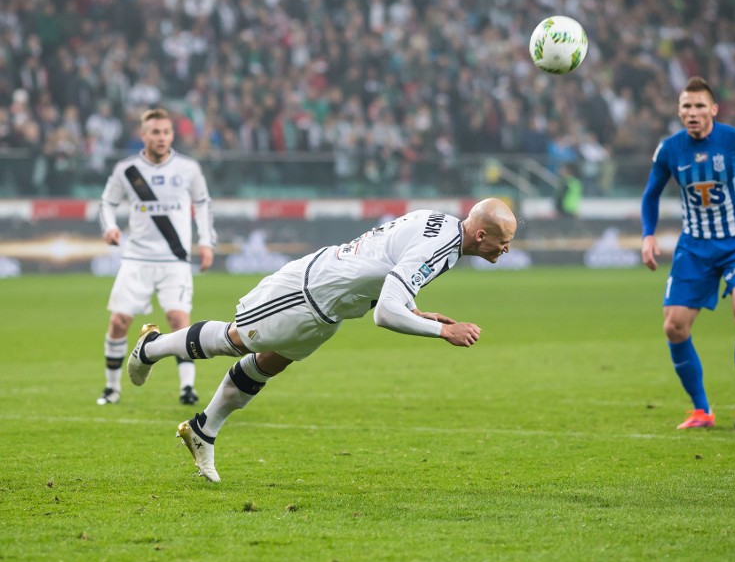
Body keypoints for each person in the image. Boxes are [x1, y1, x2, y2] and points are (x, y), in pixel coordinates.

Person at [126, 198, 517, 482]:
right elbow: (384, 314)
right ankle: (152, 347)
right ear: (482, 234)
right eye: (505, 240)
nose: (507, 248)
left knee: (271, 362)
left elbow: (387, 264)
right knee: (237, 339)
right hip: (310, 289)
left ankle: (202, 430)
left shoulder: (441, 224)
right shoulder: (443, 245)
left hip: (332, 306)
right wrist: (442, 331)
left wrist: (415, 311)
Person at [640, 77, 735, 432]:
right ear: (679, 111)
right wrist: (648, 235)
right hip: (695, 246)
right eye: (686, 106)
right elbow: (650, 195)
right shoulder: (669, 149)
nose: (693, 113)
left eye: (700, 106)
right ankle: (702, 410)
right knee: (673, 326)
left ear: (714, 109)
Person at [97, 107, 216, 406]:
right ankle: (111, 389)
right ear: (144, 135)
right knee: (119, 323)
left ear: (172, 135)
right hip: (136, 258)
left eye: (166, 132)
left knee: (179, 320)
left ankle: (187, 388)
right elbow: (106, 203)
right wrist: (110, 227)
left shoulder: (188, 169)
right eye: (155, 132)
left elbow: (202, 205)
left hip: (174, 258)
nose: (161, 137)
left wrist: (206, 243)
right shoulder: (127, 170)